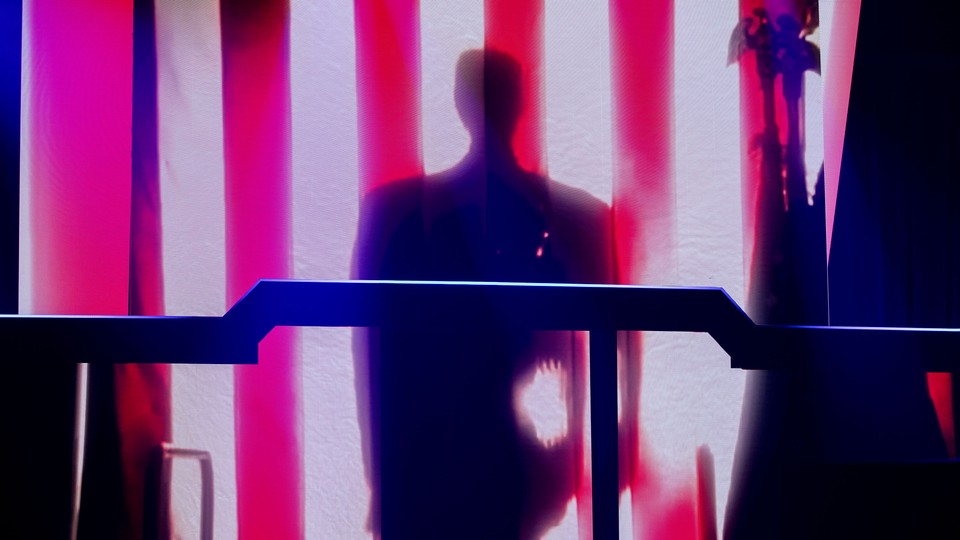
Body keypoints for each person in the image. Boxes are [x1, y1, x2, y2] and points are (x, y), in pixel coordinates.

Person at [352, 48, 613, 539]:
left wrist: (382, 468)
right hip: (493, 465)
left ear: (459, 102)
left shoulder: (396, 215)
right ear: (521, 103)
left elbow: (372, 352)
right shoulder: (579, 219)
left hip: (451, 465)